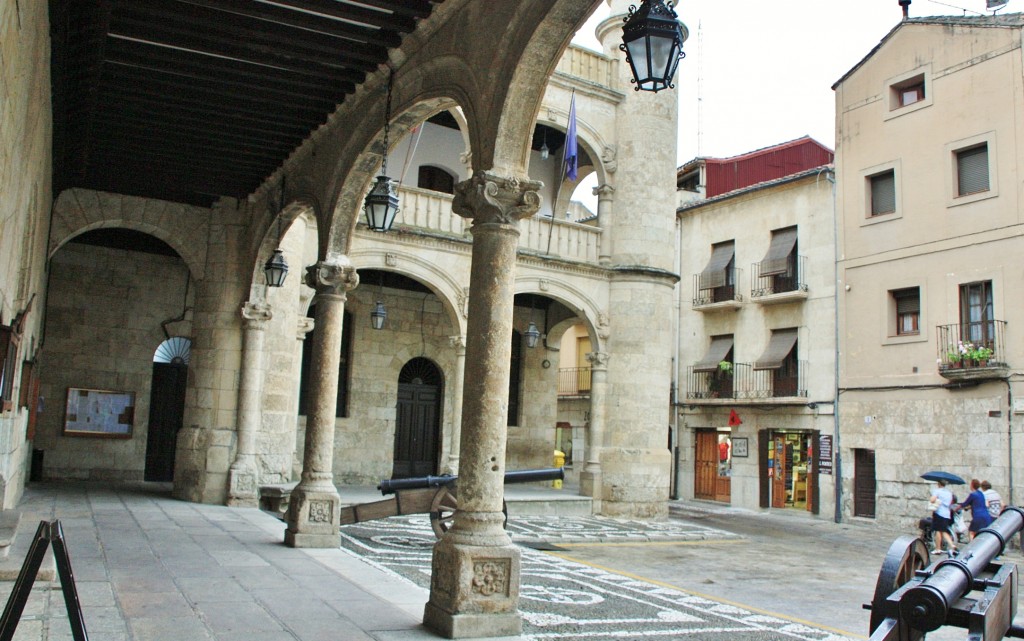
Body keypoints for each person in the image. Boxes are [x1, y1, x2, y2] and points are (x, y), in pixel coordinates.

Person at [929, 479, 957, 554]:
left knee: (938, 530)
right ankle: (952, 545)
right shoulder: (949, 493)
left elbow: (932, 500)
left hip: (939, 513)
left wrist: (935, 498)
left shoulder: (937, 491)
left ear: (938, 483)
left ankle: (938, 548)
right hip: (947, 514)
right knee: (943, 531)